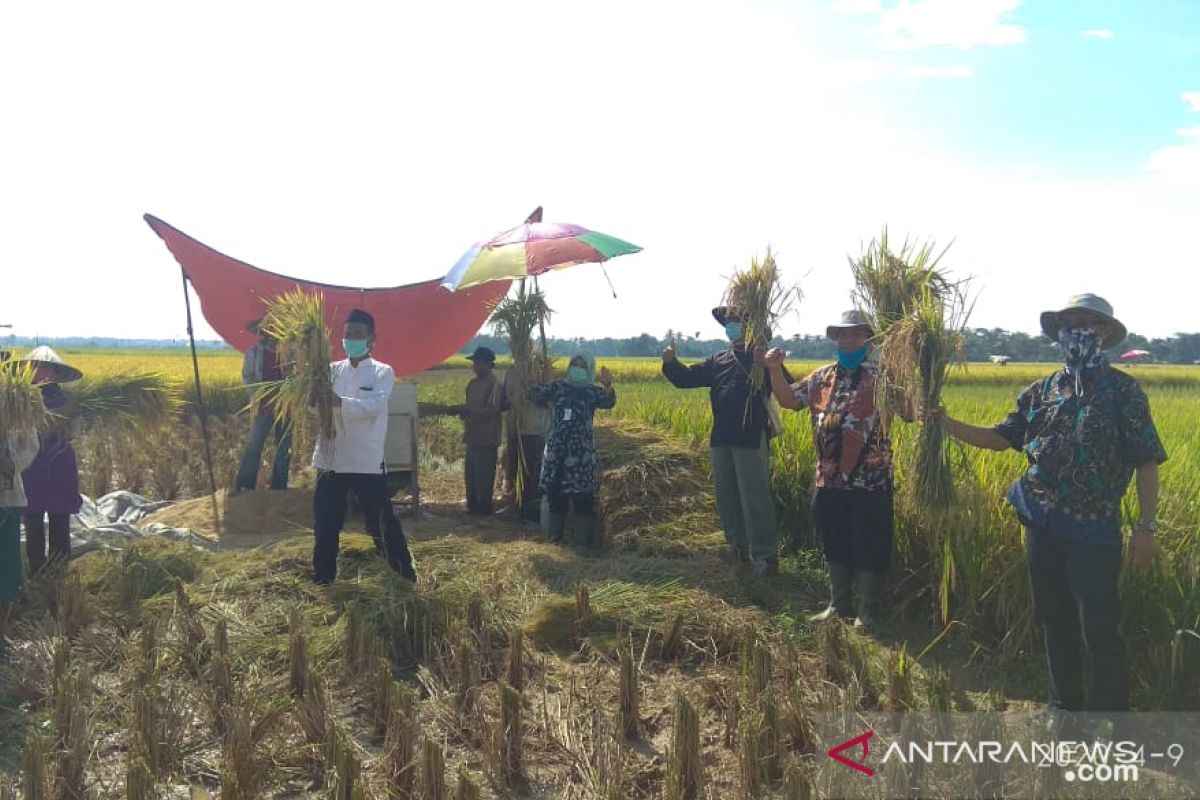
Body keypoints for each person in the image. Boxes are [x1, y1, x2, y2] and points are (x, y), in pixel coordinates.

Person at [924, 294, 1166, 713]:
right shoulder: (1042, 390)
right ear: (1059, 333)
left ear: (1105, 333)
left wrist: (1146, 528)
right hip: (1040, 520)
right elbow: (1001, 438)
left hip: (1092, 528)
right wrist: (944, 422)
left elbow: (1147, 460)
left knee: (1100, 628)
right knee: (1055, 620)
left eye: (1087, 324)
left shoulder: (1123, 392)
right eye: (1069, 323)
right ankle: (1063, 710)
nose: (1077, 331)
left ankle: (1111, 723)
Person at [765, 310, 901, 628]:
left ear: (868, 339)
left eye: (855, 334)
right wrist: (773, 370)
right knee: (834, 539)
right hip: (828, 478)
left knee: (872, 542)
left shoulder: (884, 376)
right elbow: (789, 400)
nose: (847, 339)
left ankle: (869, 612)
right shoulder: (822, 376)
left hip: (870, 479)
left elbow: (909, 411)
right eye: (842, 334)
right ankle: (839, 606)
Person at [662, 307, 784, 577]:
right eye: (728, 322)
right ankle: (736, 549)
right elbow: (686, 379)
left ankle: (765, 556)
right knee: (726, 495)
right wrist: (671, 363)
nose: (731, 326)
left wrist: (768, 364)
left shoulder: (761, 358)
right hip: (721, 437)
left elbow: (787, 387)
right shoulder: (719, 360)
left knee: (755, 498)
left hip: (751, 436)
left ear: (752, 327)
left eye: (736, 322)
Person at [311, 309, 417, 585]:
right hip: (330, 459)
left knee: (381, 523)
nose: (351, 340)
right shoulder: (331, 371)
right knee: (325, 524)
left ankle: (404, 576)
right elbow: (314, 409)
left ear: (372, 338)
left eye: (357, 335)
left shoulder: (383, 372)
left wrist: (337, 402)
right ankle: (323, 579)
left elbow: (373, 408)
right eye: (347, 335)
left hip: (365, 462)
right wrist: (311, 396)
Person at [528, 353, 615, 547]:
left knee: (583, 499)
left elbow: (608, 402)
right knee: (555, 498)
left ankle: (582, 547)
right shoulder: (558, 387)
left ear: (589, 370)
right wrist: (541, 378)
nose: (577, 368)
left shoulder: (591, 392)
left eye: (582, 365)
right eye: (574, 364)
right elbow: (534, 395)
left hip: (581, 454)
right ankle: (553, 544)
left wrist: (608, 385)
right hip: (557, 451)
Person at [18, 347, 84, 577]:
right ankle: (37, 571)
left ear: (54, 373)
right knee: (33, 516)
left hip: (59, 462)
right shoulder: (19, 400)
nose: (39, 373)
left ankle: (58, 572)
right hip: (31, 462)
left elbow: (74, 431)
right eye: (34, 368)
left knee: (59, 516)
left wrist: (57, 431)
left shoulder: (71, 402)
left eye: (44, 368)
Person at [233, 320, 293, 492]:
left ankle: (279, 488)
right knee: (254, 446)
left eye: (278, 329)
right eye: (270, 329)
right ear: (263, 332)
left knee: (284, 449)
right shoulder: (254, 353)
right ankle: (245, 485)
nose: (273, 333)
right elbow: (247, 378)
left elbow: (298, 377)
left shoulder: (291, 353)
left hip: (286, 408)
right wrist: (260, 393)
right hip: (263, 407)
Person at [502, 356, 550, 524]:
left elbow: (546, 400)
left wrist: (528, 389)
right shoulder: (511, 371)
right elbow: (505, 397)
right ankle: (516, 504)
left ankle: (530, 510)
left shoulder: (541, 370)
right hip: (516, 427)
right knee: (514, 466)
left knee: (532, 470)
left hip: (535, 429)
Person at [2, 427, 40, 641]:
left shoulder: (16, 407)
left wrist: (12, 464)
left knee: (7, 573)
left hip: (8, 502)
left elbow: (31, 444)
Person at [463, 346, 502, 515]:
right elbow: (468, 406)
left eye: (478, 363)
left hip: (487, 438)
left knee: (484, 477)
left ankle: (484, 511)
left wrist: (472, 414)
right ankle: (472, 509)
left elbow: (493, 410)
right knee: (470, 475)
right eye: (474, 363)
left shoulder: (495, 385)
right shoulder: (471, 384)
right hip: (472, 437)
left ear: (488, 364)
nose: (475, 366)